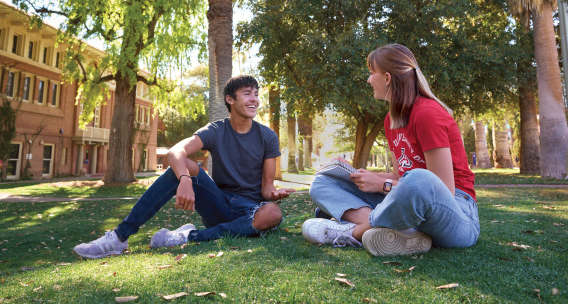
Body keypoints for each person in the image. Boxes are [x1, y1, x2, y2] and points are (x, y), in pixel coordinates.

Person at [73, 75, 295, 259]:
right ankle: (119, 237)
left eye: (256, 94)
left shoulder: (267, 136)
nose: (254, 99)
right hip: (218, 204)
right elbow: (175, 152)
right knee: (182, 167)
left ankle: (187, 237)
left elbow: (266, 189)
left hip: (250, 212)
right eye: (248, 93)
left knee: (273, 213)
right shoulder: (216, 130)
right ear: (230, 99)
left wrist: (274, 194)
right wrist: (185, 180)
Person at [302, 44, 479, 256]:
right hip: (409, 201)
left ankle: (353, 232)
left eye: (371, 73)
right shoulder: (391, 120)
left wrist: (382, 184)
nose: (368, 80)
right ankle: (403, 230)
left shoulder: (427, 113)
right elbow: (398, 175)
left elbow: (441, 189)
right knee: (323, 181)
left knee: (419, 179)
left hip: (456, 213)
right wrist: (360, 174)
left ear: (387, 78)